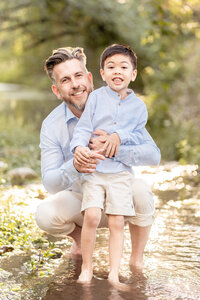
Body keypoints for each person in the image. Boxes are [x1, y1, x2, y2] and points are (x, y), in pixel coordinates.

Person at [35, 46, 160, 282]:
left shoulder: (122, 107)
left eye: (78, 75)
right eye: (65, 80)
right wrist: (75, 164)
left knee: (142, 190)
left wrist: (115, 147)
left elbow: (153, 155)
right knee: (45, 213)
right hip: (83, 200)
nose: (75, 84)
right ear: (56, 90)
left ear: (90, 78)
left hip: (117, 194)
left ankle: (136, 260)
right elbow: (50, 183)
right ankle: (80, 237)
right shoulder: (52, 125)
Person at [70, 44, 149, 284]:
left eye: (124, 67)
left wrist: (120, 136)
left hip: (120, 174)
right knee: (92, 215)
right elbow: (83, 128)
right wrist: (80, 147)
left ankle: (114, 273)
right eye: (111, 67)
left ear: (133, 74)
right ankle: (87, 268)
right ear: (102, 74)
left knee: (116, 220)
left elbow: (139, 135)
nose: (117, 71)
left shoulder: (138, 107)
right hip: (95, 169)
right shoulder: (95, 98)